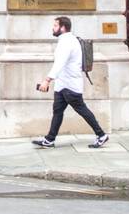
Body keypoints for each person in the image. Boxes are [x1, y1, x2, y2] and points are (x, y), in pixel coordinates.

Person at [32, 16, 109, 150]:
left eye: (55, 25)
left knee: (82, 110)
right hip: (62, 85)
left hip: (70, 85)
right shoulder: (67, 40)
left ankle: (101, 135)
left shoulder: (67, 42)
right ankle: (49, 139)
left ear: (63, 28)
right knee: (58, 111)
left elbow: (59, 63)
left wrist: (47, 80)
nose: (53, 28)